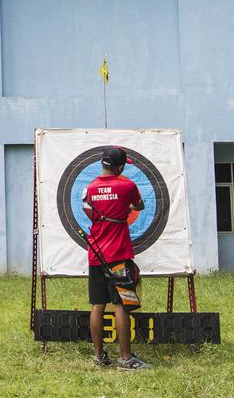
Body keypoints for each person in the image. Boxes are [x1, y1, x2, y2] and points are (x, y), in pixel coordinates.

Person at [82, 146, 149, 370]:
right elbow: (139, 205)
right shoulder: (127, 185)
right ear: (120, 167)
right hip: (118, 254)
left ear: (103, 164)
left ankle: (99, 357)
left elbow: (88, 209)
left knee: (98, 305)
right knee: (121, 305)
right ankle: (126, 359)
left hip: (96, 254)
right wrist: (125, 205)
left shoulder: (90, 188)